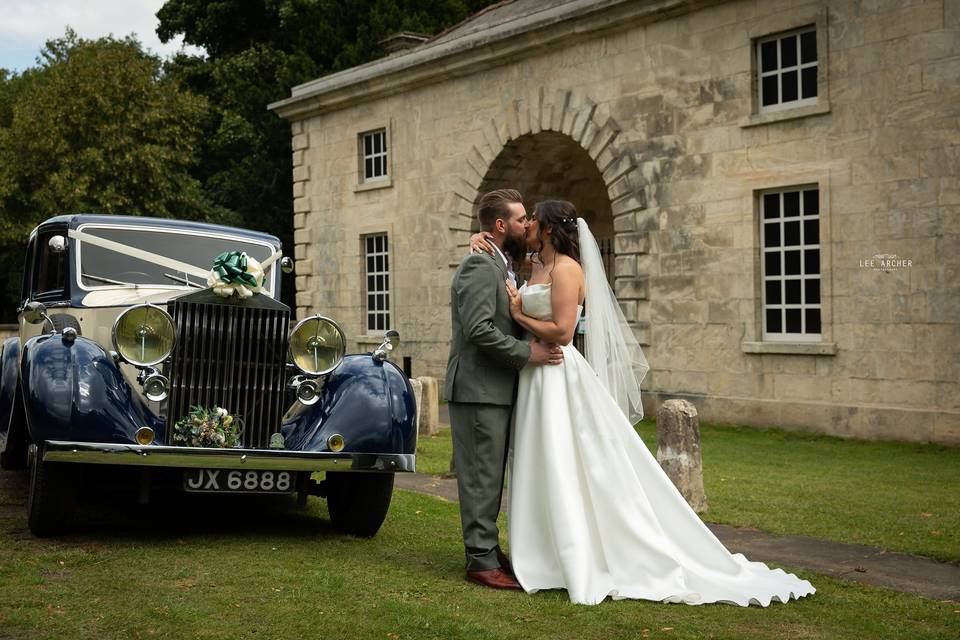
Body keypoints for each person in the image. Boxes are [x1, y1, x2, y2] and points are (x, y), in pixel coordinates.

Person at [469, 200, 815, 606]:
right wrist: (478, 240)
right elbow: (500, 251)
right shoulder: (535, 266)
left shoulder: (566, 269)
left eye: (533, 221)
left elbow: (562, 332)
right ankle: (542, 553)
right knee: (540, 461)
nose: (526, 226)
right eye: (522, 220)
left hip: (557, 373)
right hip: (534, 376)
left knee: (569, 461)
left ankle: (584, 553)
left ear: (546, 229)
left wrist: (518, 313)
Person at [444, 188, 564, 591]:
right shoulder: (480, 266)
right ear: (500, 226)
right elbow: (478, 329)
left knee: (492, 474)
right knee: (480, 476)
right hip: (478, 388)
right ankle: (480, 560)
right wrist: (525, 353)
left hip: (495, 388)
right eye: (519, 219)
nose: (526, 224)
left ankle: (490, 551)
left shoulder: (503, 263)